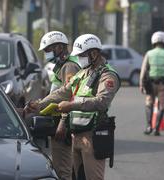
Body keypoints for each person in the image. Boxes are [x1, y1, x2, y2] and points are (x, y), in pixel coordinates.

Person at [25, 34, 121, 180]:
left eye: (82, 55)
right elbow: (63, 92)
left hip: (92, 135)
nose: (79, 59)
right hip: (77, 133)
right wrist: (38, 105)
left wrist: (71, 106)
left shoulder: (107, 75)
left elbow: (102, 101)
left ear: (94, 53)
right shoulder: (83, 73)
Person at [38, 31, 81, 180]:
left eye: (48, 50)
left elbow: (70, 98)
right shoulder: (61, 66)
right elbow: (54, 94)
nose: (46, 54)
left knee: (63, 170)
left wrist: (63, 122)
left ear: (59, 47)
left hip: (64, 123)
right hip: (59, 120)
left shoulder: (69, 66)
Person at [139, 31, 164, 136]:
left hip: (150, 84)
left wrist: (141, 84)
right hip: (163, 84)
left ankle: (148, 127)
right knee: (161, 106)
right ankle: (156, 129)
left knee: (149, 104)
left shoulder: (149, 53)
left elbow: (143, 70)